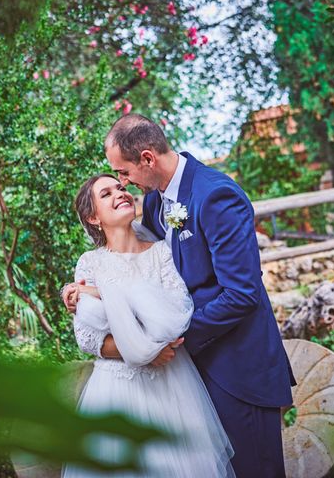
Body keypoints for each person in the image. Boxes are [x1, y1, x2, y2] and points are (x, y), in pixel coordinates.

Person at [64, 114, 296, 478]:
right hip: (190, 380)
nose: (123, 184)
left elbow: (242, 293)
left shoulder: (215, 195)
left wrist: (173, 342)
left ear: (147, 159)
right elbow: (137, 271)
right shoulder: (157, 202)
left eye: (123, 173)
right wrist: (88, 290)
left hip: (239, 370)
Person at [62, 174, 235, 478]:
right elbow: (88, 339)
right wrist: (142, 352)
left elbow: (175, 315)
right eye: (106, 193)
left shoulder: (161, 253)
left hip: (173, 388)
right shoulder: (89, 264)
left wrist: (104, 293)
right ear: (93, 217)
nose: (120, 193)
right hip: (116, 391)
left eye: (121, 187)